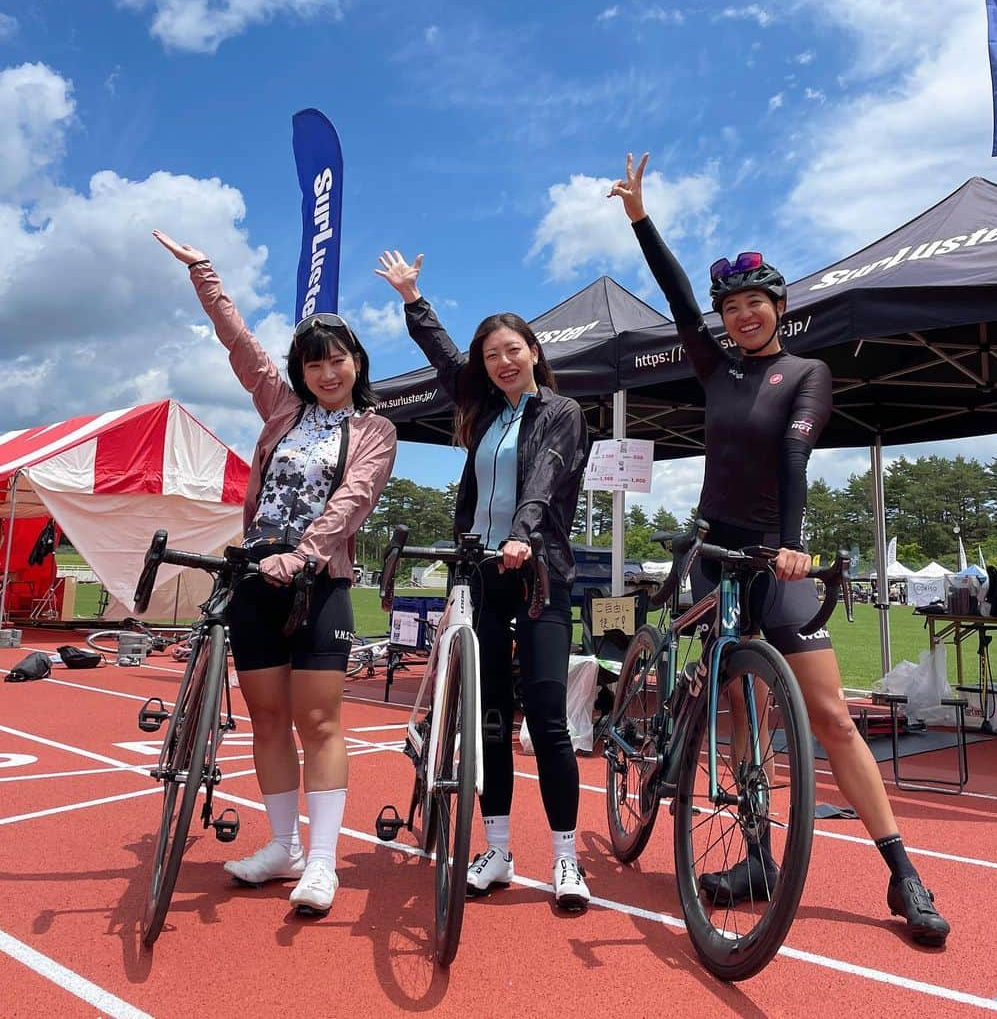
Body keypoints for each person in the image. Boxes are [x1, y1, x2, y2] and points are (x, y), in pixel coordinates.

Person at [607, 153, 950, 946]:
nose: (741, 316)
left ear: (779, 308)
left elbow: (794, 457)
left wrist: (792, 547)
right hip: (710, 550)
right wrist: (639, 219)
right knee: (736, 708)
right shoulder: (714, 366)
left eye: (755, 303)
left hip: (773, 556)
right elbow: (677, 298)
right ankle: (756, 855)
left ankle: (901, 870)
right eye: (732, 307)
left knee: (829, 713)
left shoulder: (807, 374)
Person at [154, 230, 396, 916]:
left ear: (356, 364)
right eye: (314, 363)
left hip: (321, 583)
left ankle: (323, 863)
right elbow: (239, 346)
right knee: (265, 718)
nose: (327, 372)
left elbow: (355, 497)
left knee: (318, 719)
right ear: (300, 370)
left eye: (338, 360)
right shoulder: (282, 409)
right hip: (254, 579)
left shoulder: (375, 428)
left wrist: (305, 554)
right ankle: (284, 845)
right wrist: (205, 274)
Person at [375, 249, 591, 910]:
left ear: (533, 351)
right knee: (491, 722)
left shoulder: (559, 411)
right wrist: (415, 300)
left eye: (513, 350)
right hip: (482, 578)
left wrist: (523, 536)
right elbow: (446, 361)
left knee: (548, 721)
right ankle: (496, 851)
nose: (503, 361)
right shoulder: (486, 414)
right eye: (492, 354)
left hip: (539, 577)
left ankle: (566, 861)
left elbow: (547, 477)